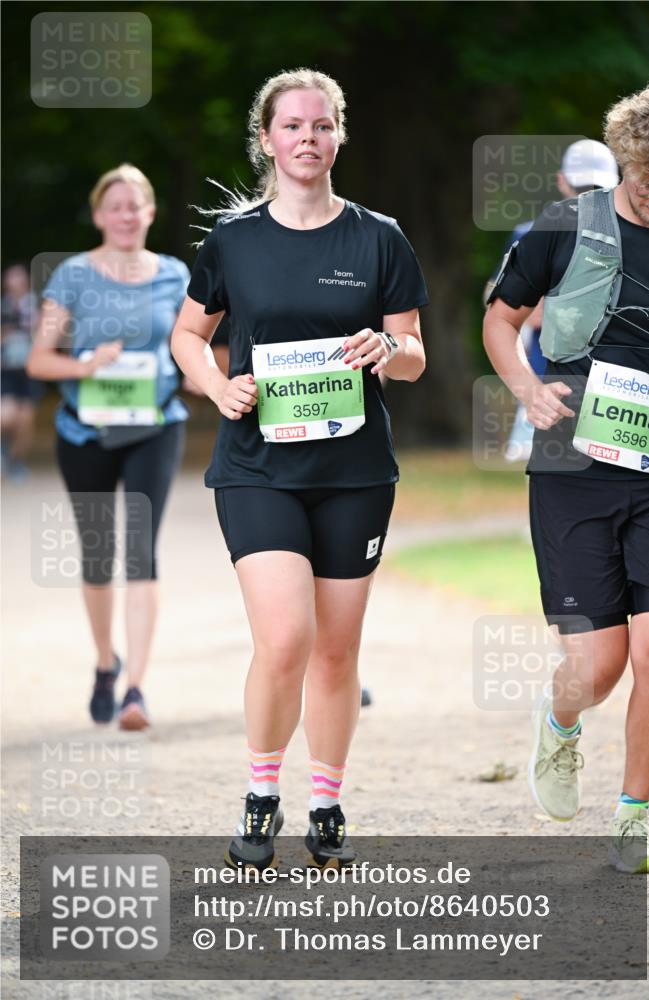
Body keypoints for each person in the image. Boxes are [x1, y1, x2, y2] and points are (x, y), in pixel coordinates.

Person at [171, 68, 428, 870]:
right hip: (257, 468)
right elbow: (187, 335)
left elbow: (414, 353)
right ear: (267, 139)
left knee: (335, 651)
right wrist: (217, 384)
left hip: (355, 472)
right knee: (285, 638)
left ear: (338, 135)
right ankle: (260, 795)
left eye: (321, 125)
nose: (307, 138)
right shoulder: (234, 240)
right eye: (291, 126)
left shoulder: (379, 237)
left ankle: (325, 802)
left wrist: (388, 347)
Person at [483, 82, 649, 873]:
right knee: (597, 668)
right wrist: (525, 390)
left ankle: (631, 823)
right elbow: (499, 319)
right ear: (623, 165)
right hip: (572, 465)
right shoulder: (566, 226)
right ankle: (560, 723)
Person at [27, 164, 190, 730]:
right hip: (85, 431)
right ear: (99, 215)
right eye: (114, 206)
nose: (125, 215)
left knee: (141, 550)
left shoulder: (175, 275)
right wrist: (84, 365)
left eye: (135, 205)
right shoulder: (73, 275)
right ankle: (105, 662)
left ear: (150, 212)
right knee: (98, 556)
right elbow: (38, 360)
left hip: (155, 426)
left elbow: (191, 347)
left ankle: (136, 690)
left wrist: (210, 378)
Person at [485, 141, 620, 461]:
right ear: (562, 181)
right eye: (581, 188)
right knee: (544, 460)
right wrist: (535, 306)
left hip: (610, 378)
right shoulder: (533, 232)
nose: (587, 197)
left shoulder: (628, 234)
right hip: (544, 369)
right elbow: (493, 295)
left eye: (597, 188)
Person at [1, 264, 41, 481]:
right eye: (11, 278)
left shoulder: (37, 307)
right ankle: (3, 447)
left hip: (29, 371)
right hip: (6, 370)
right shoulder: (3, 307)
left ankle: (16, 462)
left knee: (25, 421)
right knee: (5, 417)